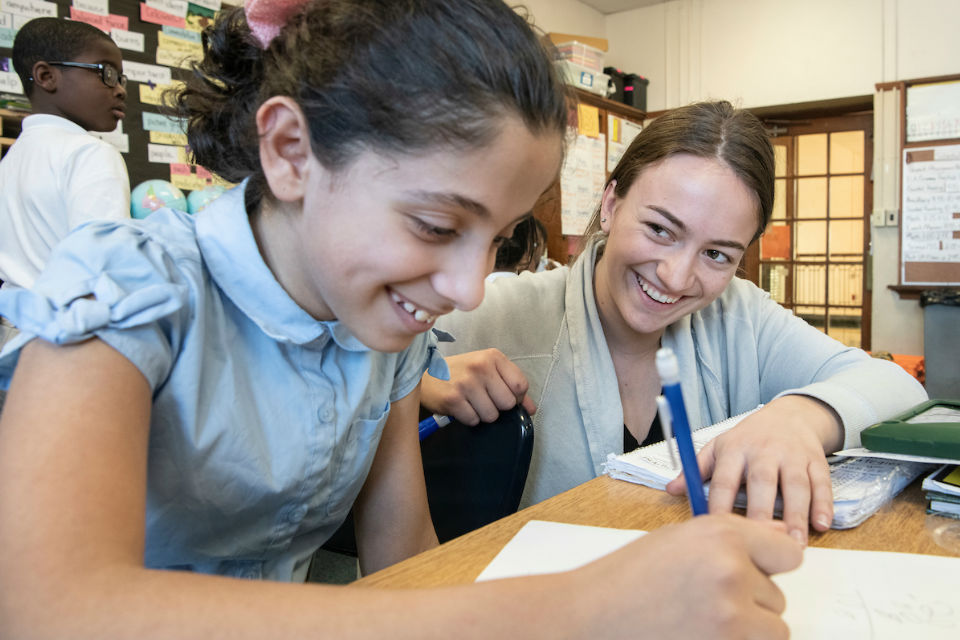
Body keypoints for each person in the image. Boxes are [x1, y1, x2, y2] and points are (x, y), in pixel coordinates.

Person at [0, 4, 803, 638]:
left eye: (498, 238)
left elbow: (405, 564)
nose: (466, 286)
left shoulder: (381, 334)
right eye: (435, 225)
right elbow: (49, 613)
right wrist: (570, 613)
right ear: (288, 150)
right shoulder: (127, 288)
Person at [422, 101, 928, 546]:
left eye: (716, 254)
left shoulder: (738, 314)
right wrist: (419, 385)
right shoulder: (491, 309)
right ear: (612, 202)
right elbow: (354, 367)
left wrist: (796, 419)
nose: (676, 276)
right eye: (661, 229)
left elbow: (897, 387)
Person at [0, 17, 131, 351]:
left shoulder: (13, 159)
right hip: (71, 342)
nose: (120, 88)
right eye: (106, 72)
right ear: (47, 76)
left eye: (121, 77)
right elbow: (104, 271)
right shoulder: (92, 154)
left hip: (13, 340)